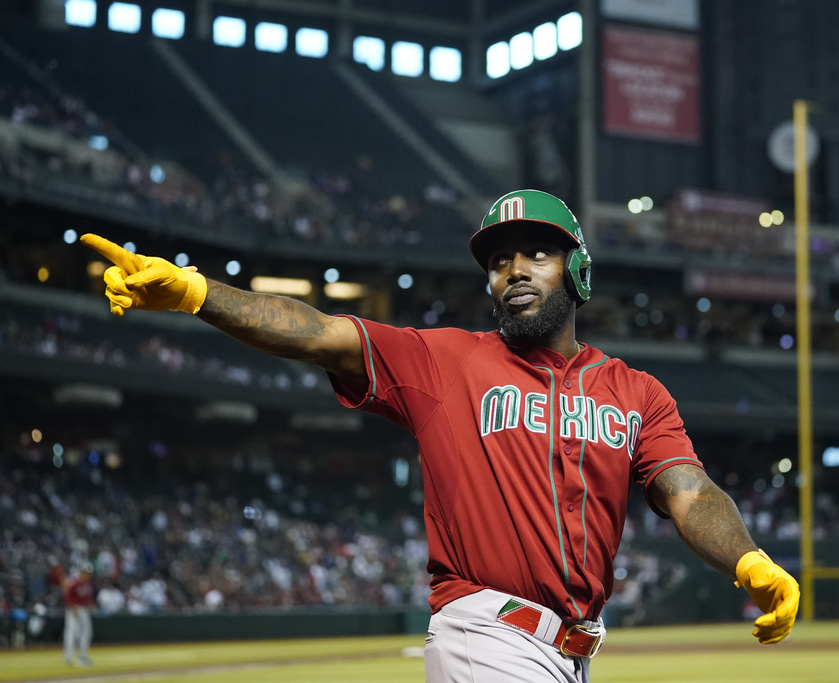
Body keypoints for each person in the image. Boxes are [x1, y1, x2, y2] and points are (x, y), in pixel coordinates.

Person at [81, 189, 799, 682]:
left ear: (578, 269)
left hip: (570, 654)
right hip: (487, 638)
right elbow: (319, 332)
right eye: (498, 259)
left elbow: (689, 490)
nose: (513, 270)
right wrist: (198, 293)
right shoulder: (445, 360)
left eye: (536, 254)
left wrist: (750, 559)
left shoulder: (637, 393)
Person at [62, 562, 95, 666]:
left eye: (88, 573)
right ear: (81, 572)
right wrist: (73, 608)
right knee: (72, 633)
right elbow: (67, 597)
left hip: (83, 610)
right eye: (85, 572)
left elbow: (87, 597)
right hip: (74, 610)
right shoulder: (75, 583)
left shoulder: (88, 584)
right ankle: (68, 657)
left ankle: (82, 656)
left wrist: (90, 604)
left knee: (86, 633)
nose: (87, 574)